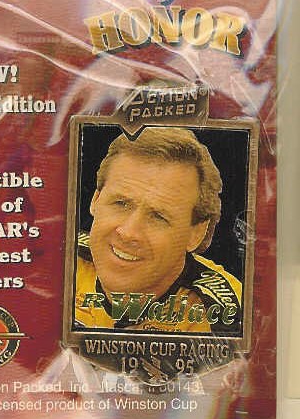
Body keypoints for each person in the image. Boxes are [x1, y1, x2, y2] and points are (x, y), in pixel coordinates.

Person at [75, 126, 242, 334]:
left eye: (158, 217)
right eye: (120, 203)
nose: (128, 232)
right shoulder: (58, 262)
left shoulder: (227, 316)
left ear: (196, 234)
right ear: (96, 200)